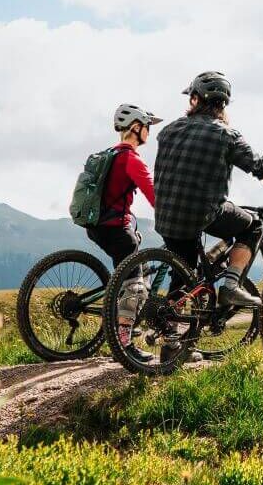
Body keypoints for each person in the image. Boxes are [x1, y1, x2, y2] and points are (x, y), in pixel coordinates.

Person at [153, 71, 263, 308]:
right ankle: (230, 287)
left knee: (183, 276)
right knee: (254, 225)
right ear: (223, 104)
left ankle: (172, 336)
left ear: (195, 99)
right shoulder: (226, 135)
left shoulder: (168, 130)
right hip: (202, 214)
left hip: (166, 215)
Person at [98, 104, 162, 363]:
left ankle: (116, 323)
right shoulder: (131, 159)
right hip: (117, 227)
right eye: (147, 126)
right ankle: (124, 342)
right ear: (137, 127)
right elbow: (154, 195)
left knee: (131, 270)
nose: (149, 132)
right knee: (136, 283)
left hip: (98, 226)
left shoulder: (108, 154)